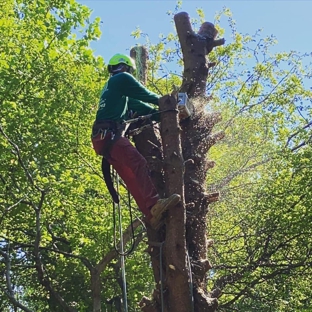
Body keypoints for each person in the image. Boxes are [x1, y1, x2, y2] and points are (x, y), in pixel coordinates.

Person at [91, 53, 180, 229]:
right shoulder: (122, 78)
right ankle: (155, 202)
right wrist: (168, 103)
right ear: (126, 67)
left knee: (131, 177)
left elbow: (141, 107)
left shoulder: (117, 91)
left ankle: (151, 213)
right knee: (138, 162)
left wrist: (164, 115)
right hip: (109, 135)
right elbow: (145, 95)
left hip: (103, 140)